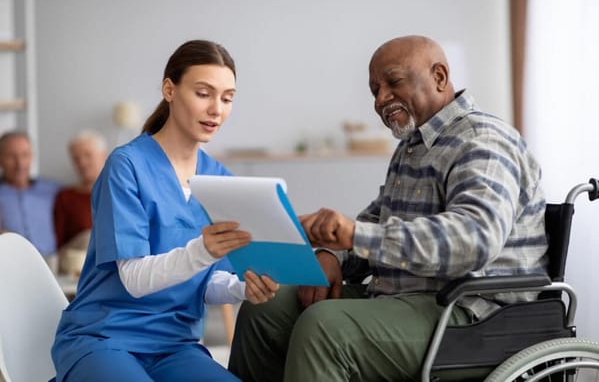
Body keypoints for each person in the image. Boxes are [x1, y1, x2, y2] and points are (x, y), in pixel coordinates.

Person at [228, 35, 548, 382]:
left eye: (393, 82)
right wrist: (334, 257)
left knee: (325, 329)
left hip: (474, 315)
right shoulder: (413, 145)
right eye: (374, 90)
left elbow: (475, 239)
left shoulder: (483, 139)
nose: (381, 99)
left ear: (439, 77)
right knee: (267, 309)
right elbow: (377, 222)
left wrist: (354, 234)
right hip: (404, 298)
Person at [51, 39, 279, 382]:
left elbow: (205, 281)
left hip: (174, 346)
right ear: (169, 90)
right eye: (204, 93)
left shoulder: (220, 180)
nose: (217, 109)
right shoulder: (126, 166)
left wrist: (242, 289)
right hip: (105, 338)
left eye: (227, 98)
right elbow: (135, 279)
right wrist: (203, 250)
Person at [0, 131, 61, 270]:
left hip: (51, 262)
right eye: (11, 156)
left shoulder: (52, 189)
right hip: (10, 264)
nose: (20, 164)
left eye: (25, 155)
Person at [54, 130, 108, 276]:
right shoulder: (65, 197)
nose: (82, 163)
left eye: (87, 155)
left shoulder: (121, 192)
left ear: (103, 155)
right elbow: (59, 245)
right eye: (76, 159)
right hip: (78, 266)